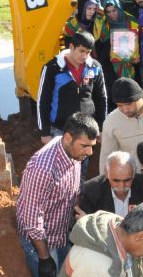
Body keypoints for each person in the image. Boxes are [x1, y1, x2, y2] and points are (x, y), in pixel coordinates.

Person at [17, 113, 99, 277]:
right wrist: (44, 259)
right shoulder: (43, 168)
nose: (89, 152)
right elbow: (31, 219)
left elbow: (74, 187)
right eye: (85, 146)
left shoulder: (74, 153)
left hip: (62, 235)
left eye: (92, 146)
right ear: (68, 137)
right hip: (41, 243)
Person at [37, 31, 106, 180]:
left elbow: (101, 98)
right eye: (81, 51)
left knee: (81, 171)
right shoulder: (53, 68)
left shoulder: (94, 67)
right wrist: (45, 132)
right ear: (71, 47)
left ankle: (78, 200)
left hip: (87, 130)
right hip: (59, 131)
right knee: (60, 172)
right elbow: (43, 101)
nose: (84, 56)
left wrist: (100, 126)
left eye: (88, 52)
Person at [77, 151, 143, 218]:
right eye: (116, 180)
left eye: (127, 180)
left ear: (134, 174)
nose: (121, 186)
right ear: (106, 173)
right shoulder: (91, 191)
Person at [97, 0, 140, 110]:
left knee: (129, 91)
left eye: (114, 10)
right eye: (108, 12)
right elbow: (101, 42)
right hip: (110, 64)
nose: (111, 14)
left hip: (130, 64)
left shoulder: (131, 20)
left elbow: (137, 40)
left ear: (119, 8)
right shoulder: (105, 23)